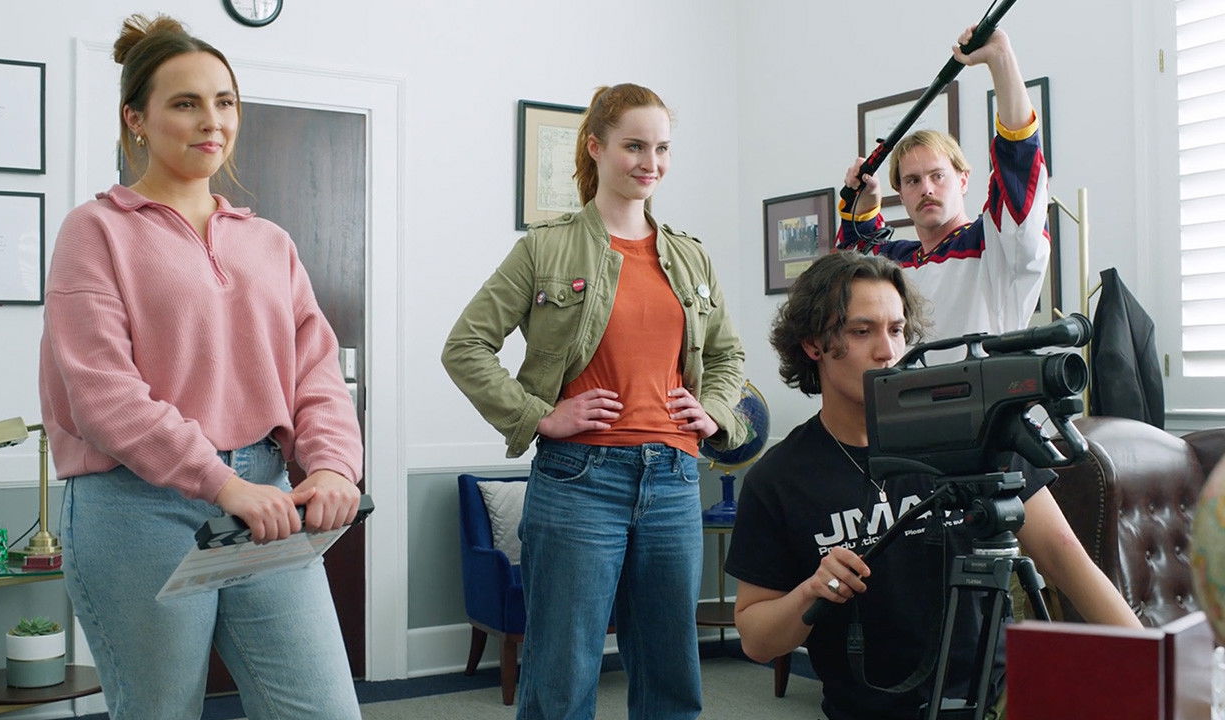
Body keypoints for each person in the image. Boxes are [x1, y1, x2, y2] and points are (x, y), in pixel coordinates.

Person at [39, 15, 363, 719]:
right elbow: (102, 394)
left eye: (224, 101)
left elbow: (316, 371)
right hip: (136, 507)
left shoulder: (270, 242)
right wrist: (219, 483)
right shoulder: (95, 231)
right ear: (136, 119)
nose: (211, 120)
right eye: (186, 103)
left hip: (267, 498)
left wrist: (335, 465)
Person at [441, 83, 748, 720]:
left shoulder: (691, 257)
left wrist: (715, 411)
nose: (650, 162)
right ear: (595, 147)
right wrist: (538, 416)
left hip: (673, 479)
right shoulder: (544, 247)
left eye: (662, 148)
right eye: (634, 146)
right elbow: (465, 346)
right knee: (561, 675)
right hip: (579, 481)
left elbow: (727, 356)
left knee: (671, 676)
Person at [726, 251, 1141, 720]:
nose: (887, 351)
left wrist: (1158, 666)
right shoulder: (779, 479)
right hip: (870, 710)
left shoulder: (973, 436)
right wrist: (811, 593)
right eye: (862, 331)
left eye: (897, 329)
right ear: (812, 344)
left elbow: (1065, 558)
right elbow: (757, 639)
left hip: (996, 699)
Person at [838, 26, 1049, 344]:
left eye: (938, 175)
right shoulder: (896, 262)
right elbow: (847, 269)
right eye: (912, 180)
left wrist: (1001, 59)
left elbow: (1019, 166)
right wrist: (864, 207)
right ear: (901, 194)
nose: (926, 189)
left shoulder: (994, 246)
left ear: (963, 180)